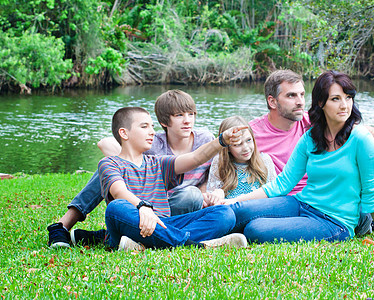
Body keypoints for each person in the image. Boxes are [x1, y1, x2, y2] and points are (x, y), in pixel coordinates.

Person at [230, 69, 374, 241]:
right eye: (291, 96)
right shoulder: (251, 133)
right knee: (248, 220)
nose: (299, 102)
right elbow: (226, 164)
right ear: (272, 101)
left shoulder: (315, 121)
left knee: (372, 165)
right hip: (293, 202)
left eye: (302, 95)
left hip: (338, 208)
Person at [225, 70, 374, 243]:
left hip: (334, 222)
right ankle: (197, 235)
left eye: (348, 97)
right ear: (321, 102)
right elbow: (283, 183)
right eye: (336, 99)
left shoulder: (362, 140)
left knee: (256, 229)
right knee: (239, 210)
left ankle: (226, 234)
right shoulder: (310, 138)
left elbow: (372, 193)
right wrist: (233, 201)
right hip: (302, 203)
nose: (344, 105)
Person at [47, 90, 215, 248]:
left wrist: (204, 190)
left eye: (191, 114)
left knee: (193, 196)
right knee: (109, 167)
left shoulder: (205, 139)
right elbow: (105, 143)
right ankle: (62, 225)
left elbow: (209, 169)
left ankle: (110, 236)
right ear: (164, 122)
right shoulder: (153, 143)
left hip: (177, 208)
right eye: (179, 115)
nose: (187, 120)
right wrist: (129, 162)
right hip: (143, 204)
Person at [99, 106, 247, 250]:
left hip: (164, 224)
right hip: (133, 222)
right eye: (144, 127)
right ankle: (192, 245)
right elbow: (119, 192)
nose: (152, 132)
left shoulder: (158, 162)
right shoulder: (109, 163)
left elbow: (196, 157)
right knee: (116, 207)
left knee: (224, 214)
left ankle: (146, 244)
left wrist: (221, 140)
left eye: (152, 126)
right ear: (124, 133)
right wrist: (143, 207)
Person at [206, 116, 276, 199]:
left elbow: (274, 193)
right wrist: (217, 194)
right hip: (230, 209)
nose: (246, 148)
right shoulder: (219, 162)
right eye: (238, 144)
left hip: (258, 209)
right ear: (227, 147)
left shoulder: (265, 160)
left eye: (249, 140)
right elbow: (212, 196)